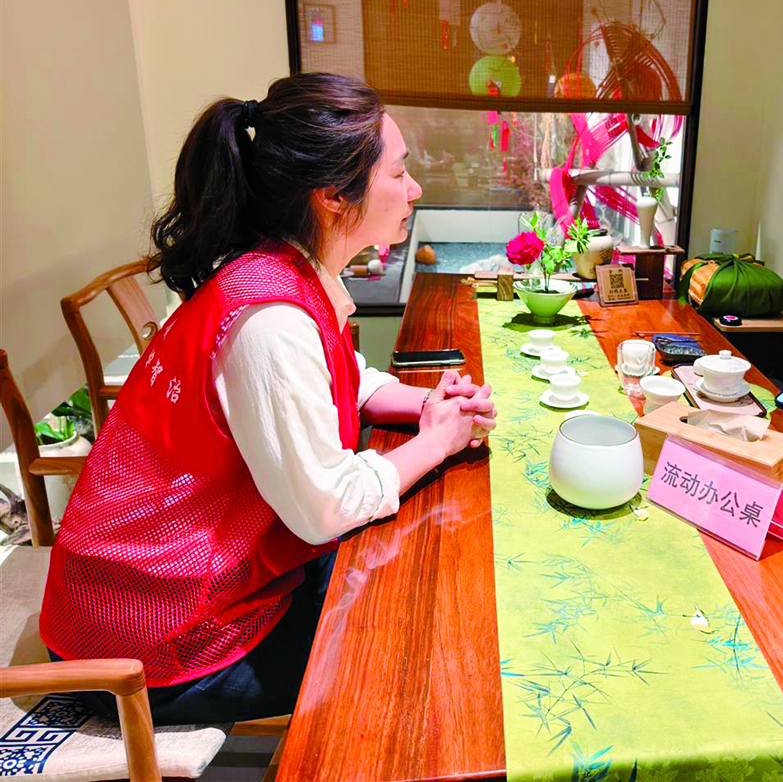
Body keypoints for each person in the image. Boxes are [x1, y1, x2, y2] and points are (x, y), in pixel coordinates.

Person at [40, 73, 497, 723]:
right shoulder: (270, 319)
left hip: (154, 587)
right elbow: (324, 507)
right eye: (399, 172)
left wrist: (424, 405)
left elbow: (340, 377)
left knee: (407, 571)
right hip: (145, 639)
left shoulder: (279, 270)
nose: (413, 188)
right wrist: (436, 443)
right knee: (415, 635)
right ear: (333, 195)